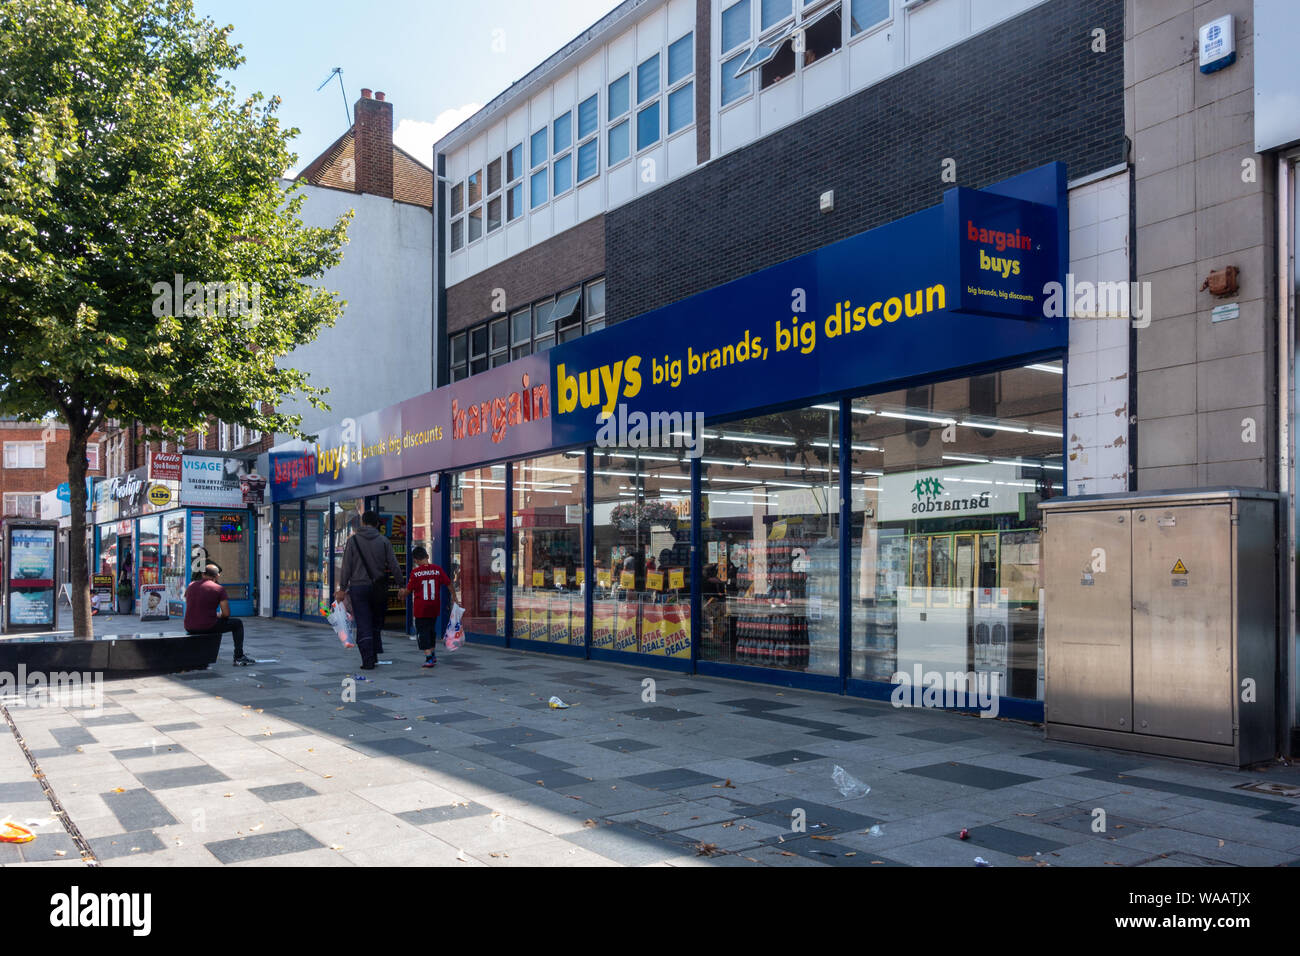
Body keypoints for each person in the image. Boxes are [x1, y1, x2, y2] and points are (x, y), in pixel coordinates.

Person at [334, 510, 402, 671]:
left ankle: (368, 659)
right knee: (376, 621)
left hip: (358, 588)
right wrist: (401, 585)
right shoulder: (384, 541)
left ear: (363, 523)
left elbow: (346, 567)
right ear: (377, 523)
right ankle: (374, 652)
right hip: (379, 587)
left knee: (364, 622)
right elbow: (394, 565)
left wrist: (342, 588)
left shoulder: (353, 541)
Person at [397, 545, 456, 668]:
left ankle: (429, 657)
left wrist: (402, 594)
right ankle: (433, 654)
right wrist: (454, 597)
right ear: (427, 557)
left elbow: (408, 591)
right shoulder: (438, 570)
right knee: (431, 630)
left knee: (422, 631)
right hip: (434, 606)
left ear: (416, 560)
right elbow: (449, 584)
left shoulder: (415, 573)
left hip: (421, 608)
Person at [184, 564, 254, 666]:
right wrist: (217, 615)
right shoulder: (218, 589)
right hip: (207, 626)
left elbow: (191, 604)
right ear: (217, 576)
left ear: (203, 574)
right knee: (237, 623)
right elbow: (226, 614)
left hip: (189, 626)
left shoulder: (191, 585)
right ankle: (238, 656)